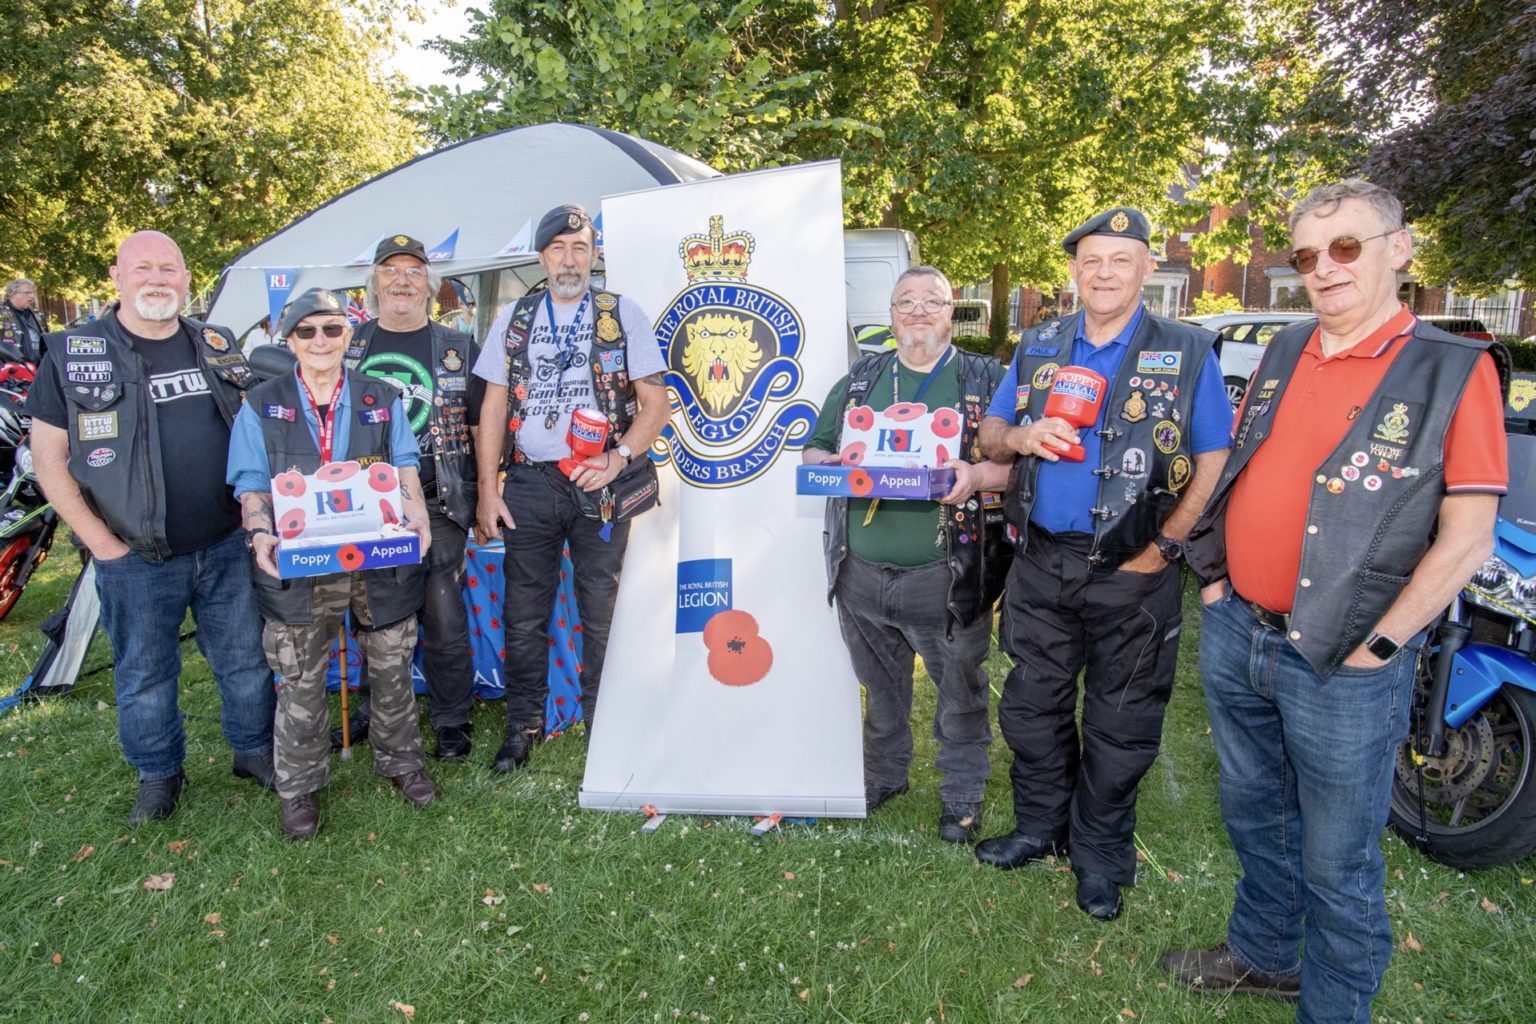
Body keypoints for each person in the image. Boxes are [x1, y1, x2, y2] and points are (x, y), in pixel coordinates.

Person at [1163, 180, 1507, 1021]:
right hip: (1240, 628)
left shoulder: (1451, 370)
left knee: (1338, 858)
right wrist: (1214, 579)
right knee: (1253, 814)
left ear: (1400, 248)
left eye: (1347, 247)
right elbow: (1242, 468)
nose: (1325, 269)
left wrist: (1382, 647)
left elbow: (1468, 538)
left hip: (1346, 660)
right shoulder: (1284, 347)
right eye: (1308, 255)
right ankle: (1265, 954)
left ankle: (1334, 1007)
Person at [975, 207, 1232, 920]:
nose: (1105, 273)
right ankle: (1039, 828)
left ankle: (1100, 857)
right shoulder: (1040, 343)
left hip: (1133, 570)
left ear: (1148, 269)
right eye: (1092, 260)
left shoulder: (1185, 351)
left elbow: (1214, 457)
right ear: (1074, 271)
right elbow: (990, 435)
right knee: (1031, 709)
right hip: (1040, 564)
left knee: (1122, 726)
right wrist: (1023, 435)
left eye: (1121, 259)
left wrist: (1165, 548)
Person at [26, 231, 276, 826]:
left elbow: (254, 435)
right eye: (144, 268)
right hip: (134, 553)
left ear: (188, 279)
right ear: (118, 275)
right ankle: (160, 773)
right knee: (144, 673)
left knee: (244, 659)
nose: (157, 279)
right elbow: (48, 458)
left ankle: (253, 750)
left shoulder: (216, 344)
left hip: (224, 543)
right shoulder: (72, 351)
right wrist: (100, 543)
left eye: (170, 268)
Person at [803, 266, 1011, 843]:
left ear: (953, 310)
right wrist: (831, 469)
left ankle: (961, 796)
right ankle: (885, 775)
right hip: (861, 573)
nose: (918, 312)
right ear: (890, 314)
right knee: (881, 689)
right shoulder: (862, 379)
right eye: (905, 302)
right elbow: (815, 448)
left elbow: (1019, 467)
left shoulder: (987, 380)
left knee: (960, 694)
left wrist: (976, 475)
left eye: (932, 302)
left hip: (947, 575)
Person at [228, 287, 437, 839]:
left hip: (375, 556)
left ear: (349, 335)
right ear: (289, 340)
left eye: (332, 329)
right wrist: (258, 532)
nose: (321, 340)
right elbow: (251, 483)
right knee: (299, 672)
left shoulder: (380, 395)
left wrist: (417, 516)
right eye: (307, 331)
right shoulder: (260, 403)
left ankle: (402, 762)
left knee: (392, 659)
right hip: (300, 559)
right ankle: (299, 787)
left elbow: (406, 466)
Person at [473, 204, 670, 771]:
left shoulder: (620, 313)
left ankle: (606, 720)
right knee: (524, 610)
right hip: (531, 482)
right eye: (558, 248)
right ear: (541, 257)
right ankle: (523, 725)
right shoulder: (514, 317)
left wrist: (619, 455)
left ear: (594, 256)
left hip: (598, 482)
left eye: (579, 248)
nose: (569, 259)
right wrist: (489, 491)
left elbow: (655, 402)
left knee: (602, 607)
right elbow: (493, 406)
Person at [328, 234, 482, 761]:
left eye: (414, 272)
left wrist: (485, 497)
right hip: (367, 506)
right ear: (374, 283)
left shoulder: (459, 348)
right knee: (374, 614)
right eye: (390, 270)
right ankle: (378, 713)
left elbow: (486, 426)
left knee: (443, 614)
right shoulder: (345, 348)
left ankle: (452, 719)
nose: (402, 280)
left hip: (440, 501)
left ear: (429, 285)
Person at [2, 278, 48, 364]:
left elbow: (47, 342)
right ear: (12, 293)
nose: (32, 296)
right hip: (9, 370)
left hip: (37, 369)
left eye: (32, 293)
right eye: (27, 293)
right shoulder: (1, 314)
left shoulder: (38, 316)